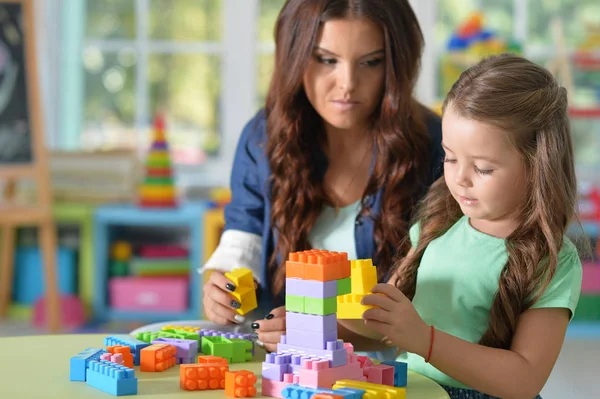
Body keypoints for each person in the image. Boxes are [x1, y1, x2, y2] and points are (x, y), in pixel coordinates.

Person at [200, 0, 445, 352]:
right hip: (287, 369)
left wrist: (324, 332)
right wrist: (221, 288)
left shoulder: (439, 147)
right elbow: (244, 237)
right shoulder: (262, 137)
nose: (347, 84)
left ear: (398, 63)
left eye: (371, 62)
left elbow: (442, 297)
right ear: (294, 57)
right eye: (327, 60)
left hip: (398, 373)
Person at [351, 54, 583, 399]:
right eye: (450, 157)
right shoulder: (437, 225)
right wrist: (310, 323)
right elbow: (386, 326)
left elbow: (524, 380)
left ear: (539, 165)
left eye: (484, 169)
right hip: (412, 388)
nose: (459, 179)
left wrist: (425, 340)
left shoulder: (552, 260)